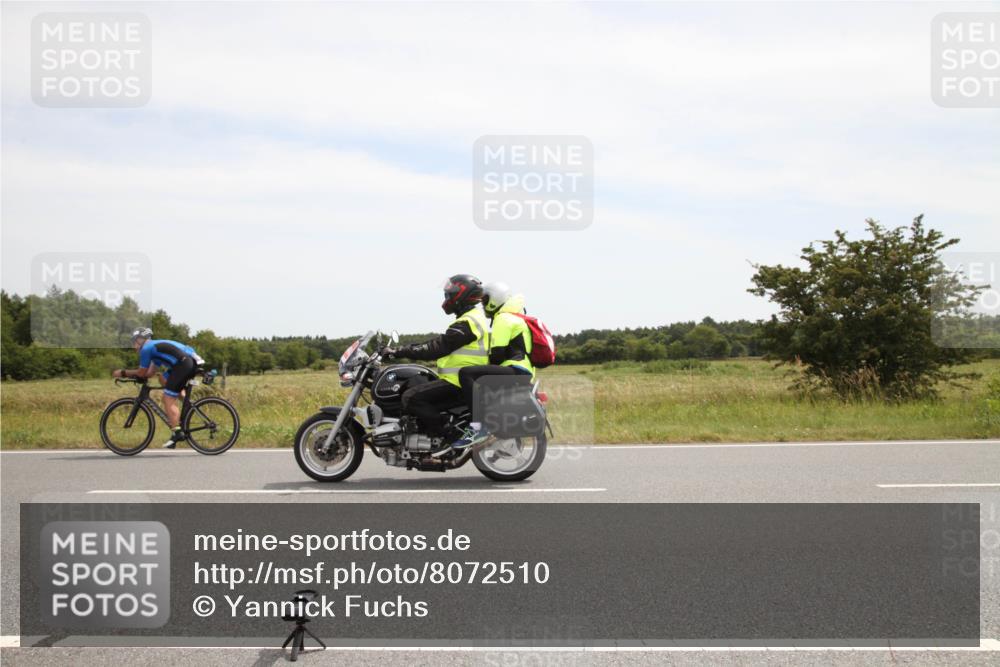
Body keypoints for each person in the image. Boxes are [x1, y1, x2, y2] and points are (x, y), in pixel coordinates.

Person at [387, 274, 490, 445]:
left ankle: (444, 437)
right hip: (458, 379)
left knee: (411, 397)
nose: (447, 298)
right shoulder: (472, 319)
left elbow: (436, 348)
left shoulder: (468, 322)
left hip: (457, 381)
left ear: (462, 295)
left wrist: (398, 351)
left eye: (449, 294)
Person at [454, 282, 535, 448]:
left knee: (466, 374)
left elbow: (496, 355)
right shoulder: (513, 317)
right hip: (522, 370)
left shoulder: (503, 319)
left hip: (515, 370)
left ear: (495, 299)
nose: (483, 305)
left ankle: (478, 427)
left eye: (485, 300)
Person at [112, 328, 204, 449]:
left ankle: (177, 432)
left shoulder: (146, 348)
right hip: (187, 361)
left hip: (185, 363)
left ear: (141, 339)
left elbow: (141, 372)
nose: (134, 346)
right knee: (163, 379)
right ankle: (187, 404)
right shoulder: (154, 349)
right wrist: (138, 375)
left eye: (134, 342)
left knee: (167, 398)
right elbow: (149, 373)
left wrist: (123, 372)